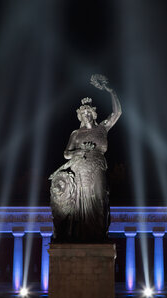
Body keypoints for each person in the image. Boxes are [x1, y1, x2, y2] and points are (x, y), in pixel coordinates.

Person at [50, 75, 121, 242]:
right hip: (80, 168)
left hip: (98, 166)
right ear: (80, 116)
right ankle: (84, 237)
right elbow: (67, 153)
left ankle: (99, 236)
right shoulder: (76, 134)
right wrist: (80, 151)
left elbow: (117, 112)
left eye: (89, 112)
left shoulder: (103, 128)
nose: (87, 114)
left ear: (94, 114)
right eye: (83, 113)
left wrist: (111, 91)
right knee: (81, 204)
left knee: (100, 198)